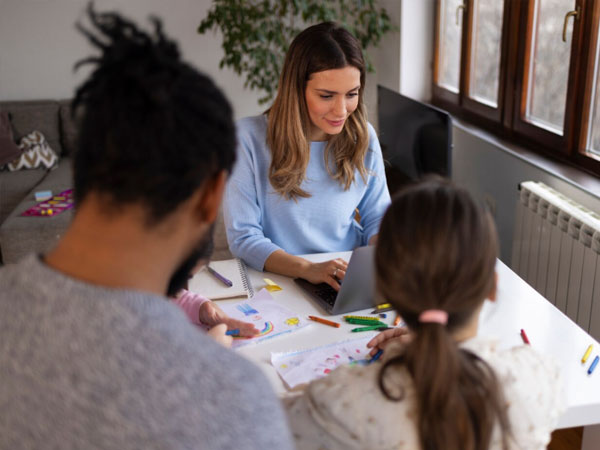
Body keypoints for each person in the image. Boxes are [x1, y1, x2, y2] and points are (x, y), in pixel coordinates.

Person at [0, 5, 293, 449]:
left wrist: (199, 319)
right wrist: (209, 367)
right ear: (212, 195)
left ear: (81, 169)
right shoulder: (236, 400)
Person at [282, 178, 564, 450]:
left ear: (386, 289)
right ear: (492, 287)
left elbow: (273, 426)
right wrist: (431, 345)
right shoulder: (536, 378)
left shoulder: (340, 402)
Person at [224, 22, 391, 290]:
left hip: (345, 277)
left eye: (352, 94)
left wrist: (382, 262)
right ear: (296, 89)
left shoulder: (363, 137)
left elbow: (378, 217)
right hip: (277, 280)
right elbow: (243, 238)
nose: (341, 110)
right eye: (326, 96)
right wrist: (308, 269)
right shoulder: (246, 139)